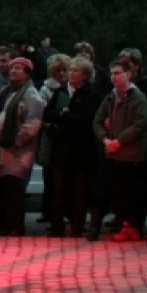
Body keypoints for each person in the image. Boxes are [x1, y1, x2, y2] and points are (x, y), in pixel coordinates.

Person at [93, 59, 147, 243]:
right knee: (118, 193)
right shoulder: (110, 97)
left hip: (130, 153)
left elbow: (141, 124)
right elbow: (97, 120)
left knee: (131, 193)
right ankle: (126, 225)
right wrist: (105, 139)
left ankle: (133, 227)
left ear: (128, 74)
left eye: (117, 73)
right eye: (111, 73)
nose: (114, 77)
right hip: (113, 151)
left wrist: (119, 140)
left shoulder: (138, 97)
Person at [0, 56, 44, 236]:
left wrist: (16, 141)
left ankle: (15, 225)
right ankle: (2, 222)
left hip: (19, 151)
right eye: (12, 68)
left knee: (14, 188)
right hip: (0, 148)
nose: (13, 71)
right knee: (1, 187)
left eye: (18, 68)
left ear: (28, 74)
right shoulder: (5, 92)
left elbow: (33, 123)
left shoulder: (31, 94)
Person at [45, 56, 99, 238]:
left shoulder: (91, 94)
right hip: (60, 147)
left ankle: (77, 227)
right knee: (58, 189)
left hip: (81, 149)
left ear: (85, 75)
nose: (70, 73)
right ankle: (57, 226)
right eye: (70, 69)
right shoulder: (61, 91)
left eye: (75, 70)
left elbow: (87, 119)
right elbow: (48, 113)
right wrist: (61, 116)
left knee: (79, 191)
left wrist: (65, 118)